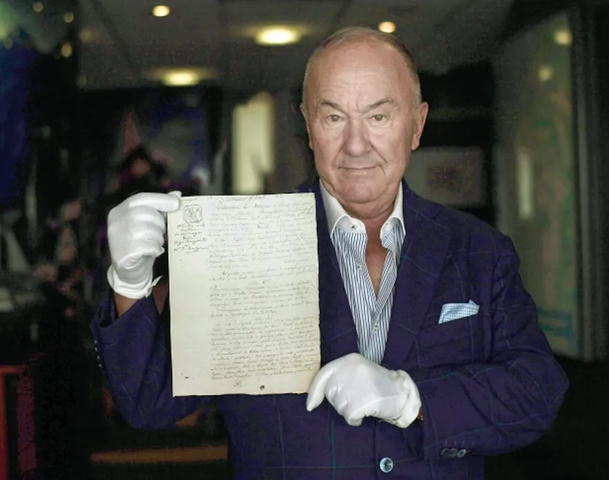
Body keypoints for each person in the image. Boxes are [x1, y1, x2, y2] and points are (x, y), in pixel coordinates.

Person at [90, 26, 569, 479]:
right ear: (308, 125)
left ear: (416, 125)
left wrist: (410, 398)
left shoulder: (479, 250)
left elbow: (537, 392)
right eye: (334, 117)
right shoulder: (245, 245)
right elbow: (148, 402)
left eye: (378, 116)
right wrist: (130, 282)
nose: (356, 145)